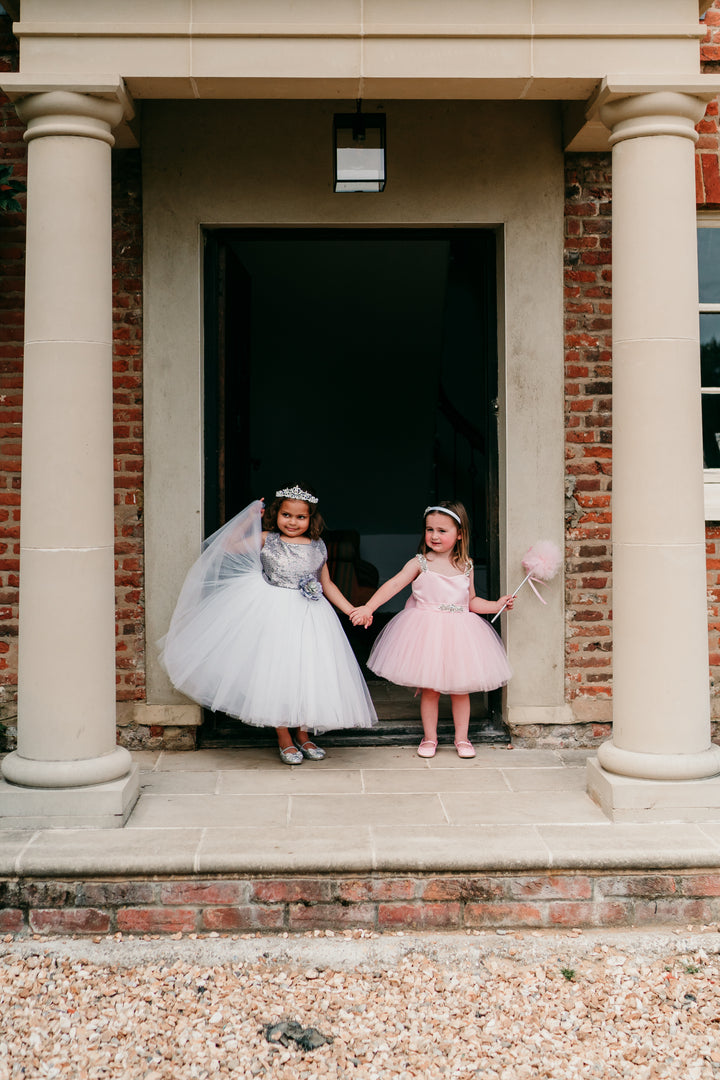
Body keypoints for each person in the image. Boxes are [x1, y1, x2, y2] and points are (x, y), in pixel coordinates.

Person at [159, 484, 377, 764]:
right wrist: (250, 517)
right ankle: (284, 736)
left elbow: (327, 583)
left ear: (311, 519)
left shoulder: (318, 545)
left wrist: (350, 610)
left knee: (305, 672)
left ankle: (303, 733)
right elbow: (227, 546)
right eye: (287, 515)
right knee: (279, 672)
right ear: (276, 515)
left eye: (301, 517)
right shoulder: (267, 539)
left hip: (311, 616)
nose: (293, 522)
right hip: (275, 613)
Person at [349, 502, 513, 759]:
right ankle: (430, 737)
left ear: (460, 534)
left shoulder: (466, 565)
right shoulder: (420, 563)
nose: (434, 536)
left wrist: (496, 604)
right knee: (430, 689)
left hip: (460, 633)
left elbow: (471, 602)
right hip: (426, 632)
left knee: (461, 689)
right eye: (430, 529)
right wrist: (369, 607)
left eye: (442, 530)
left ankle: (462, 738)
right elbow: (393, 585)